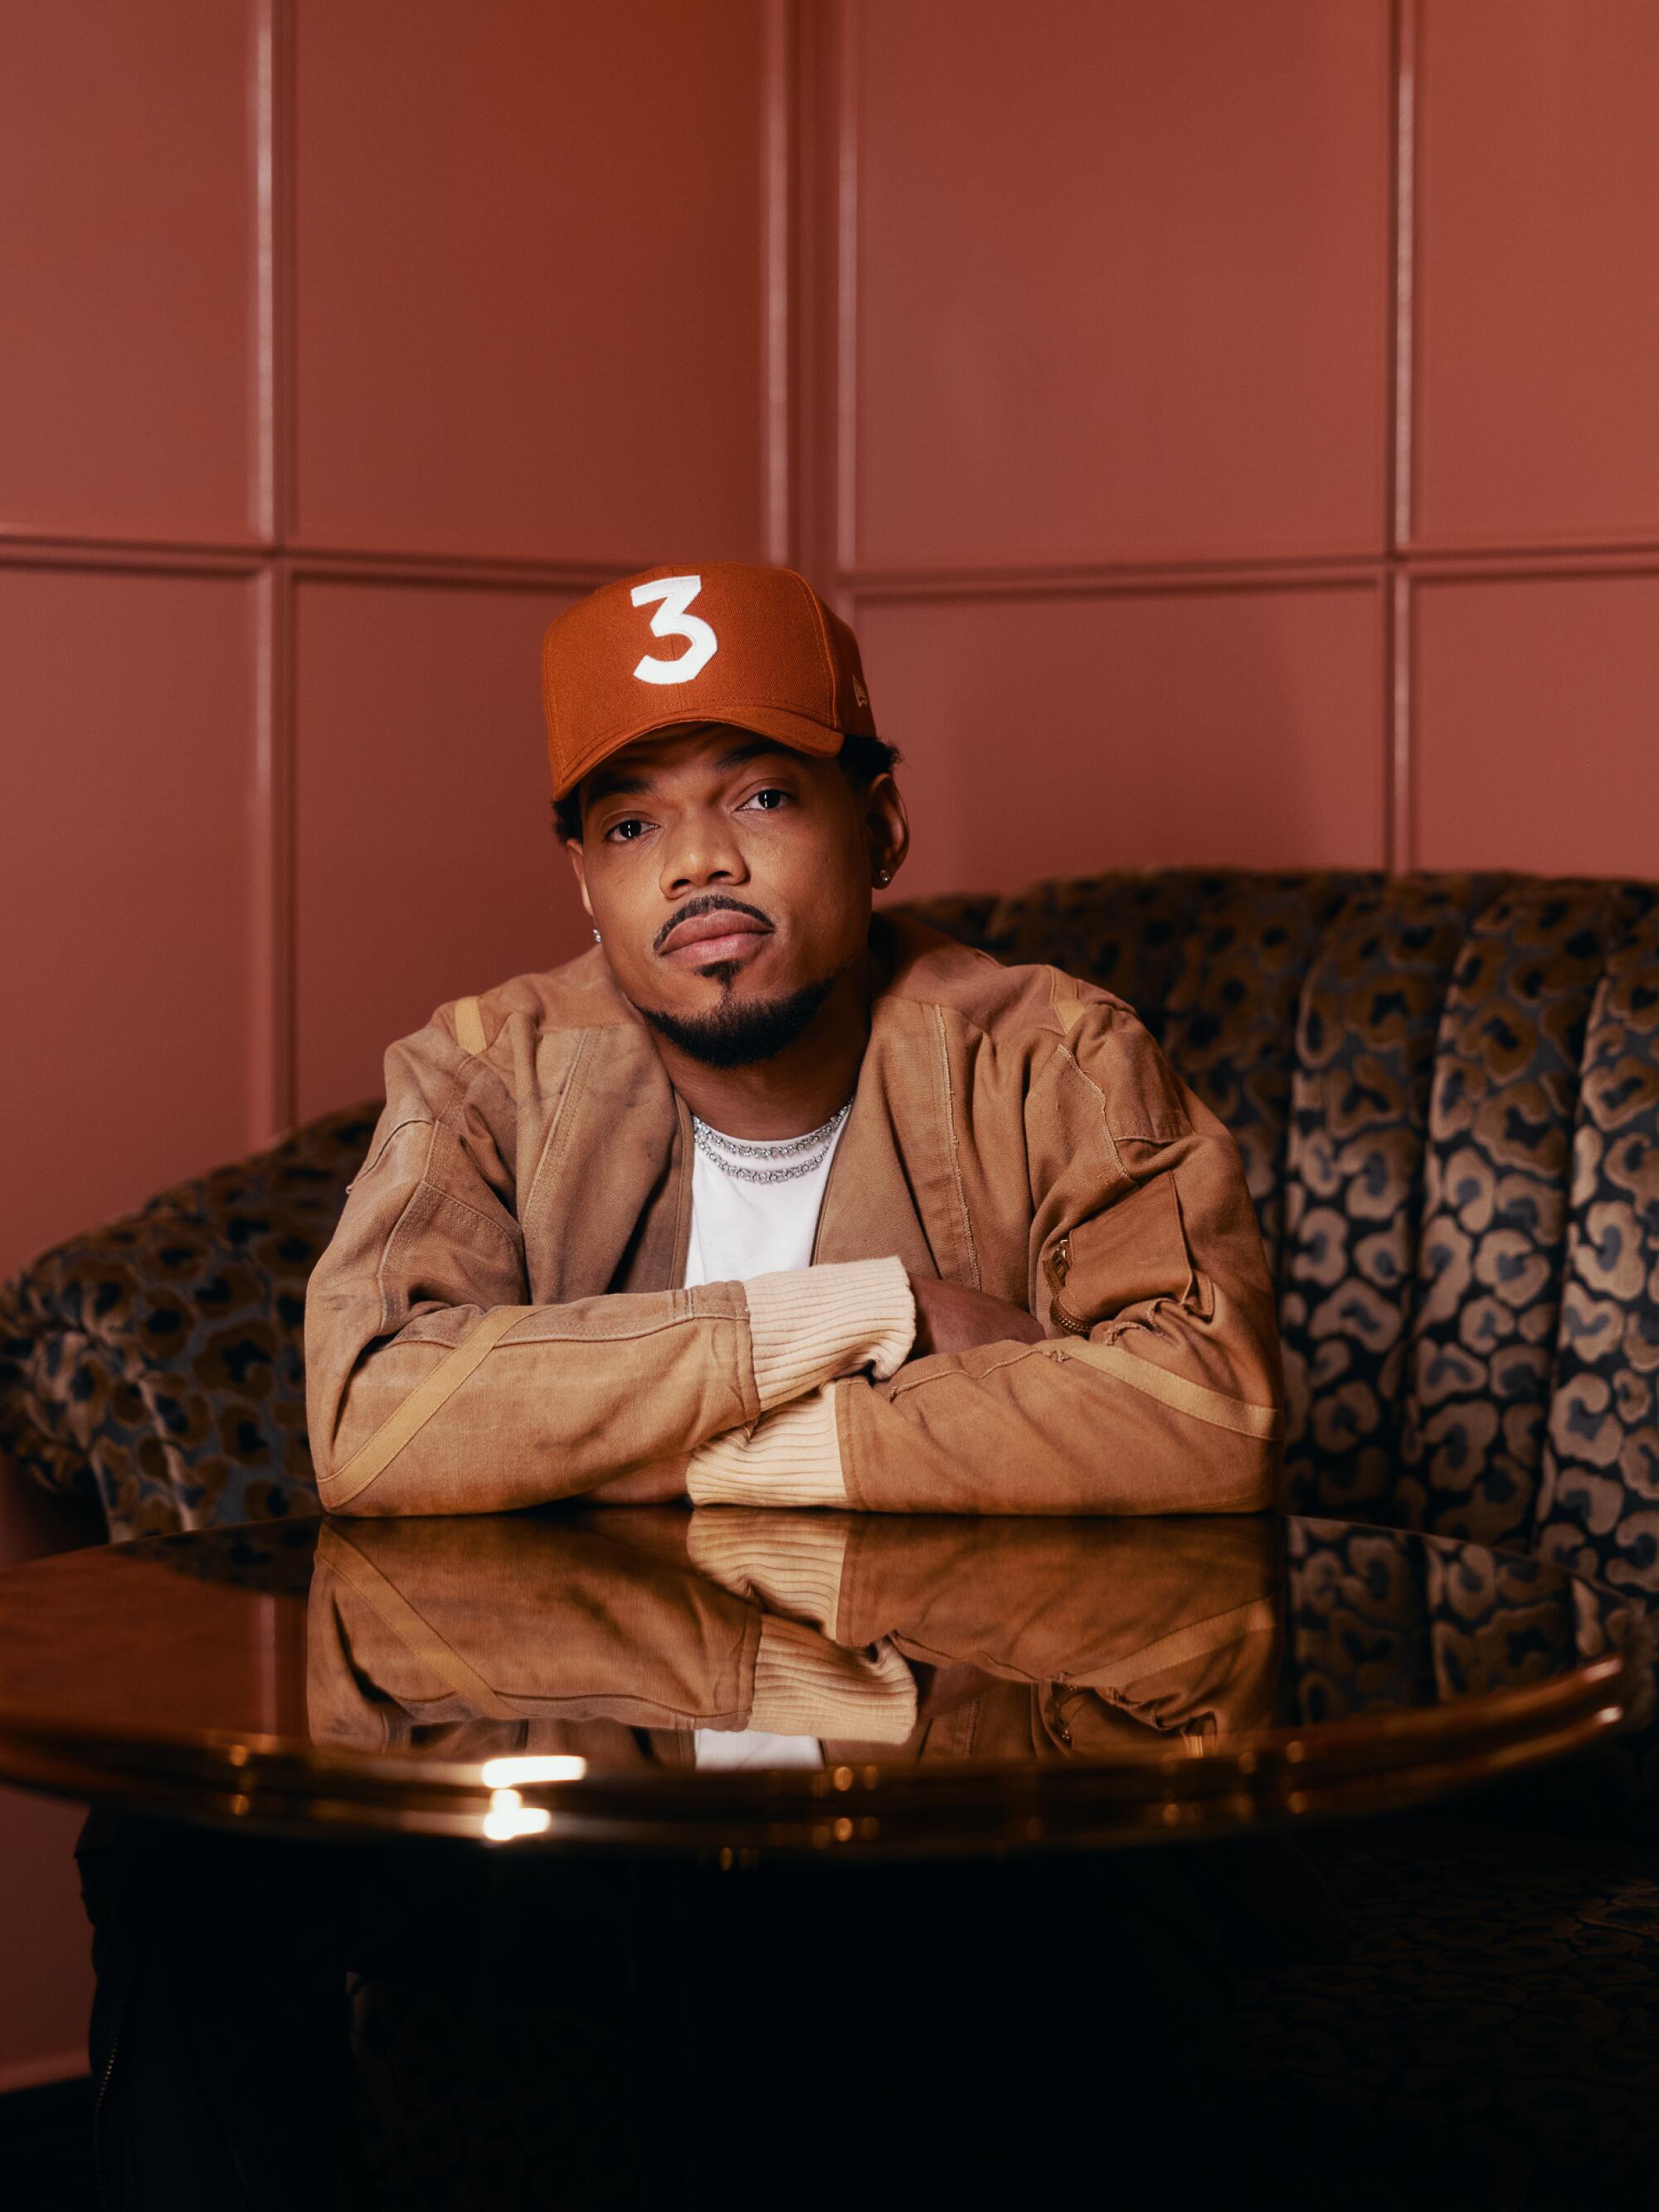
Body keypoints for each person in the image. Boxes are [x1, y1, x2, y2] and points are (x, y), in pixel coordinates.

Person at [303, 562, 1282, 1517]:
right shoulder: (482, 1075)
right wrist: (869, 1313)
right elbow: (374, 1422)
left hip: (952, 1671)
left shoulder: (1053, 1062)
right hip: (593, 1677)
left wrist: (683, 1457)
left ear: (879, 830)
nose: (696, 862)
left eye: (761, 797)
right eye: (632, 826)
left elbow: (1209, 1414)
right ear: (585, 883)